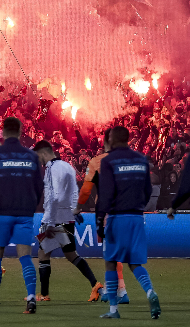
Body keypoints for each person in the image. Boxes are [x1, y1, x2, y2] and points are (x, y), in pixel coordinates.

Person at [96, 126, 161, 319]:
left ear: (112, 139)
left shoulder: (108, 161)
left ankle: (113, 310)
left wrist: (99, 219)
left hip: (117, 217)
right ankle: (150, 292)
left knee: (110, 261)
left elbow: (106, 193)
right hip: (137, 217)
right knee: (135, 263)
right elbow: (148, 190)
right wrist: (138, 204)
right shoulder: (141, 159)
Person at [0, 117, 42, 314]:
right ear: (21, 132)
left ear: (3, 133)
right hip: (24, 213)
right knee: (26, 257)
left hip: (1, 213)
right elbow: (39, 186)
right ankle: (31, 298)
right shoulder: (31, 156)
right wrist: (30, 205)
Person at [32, 141, 103, 302]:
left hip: (55, 218)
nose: (38, 160)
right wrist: (73, 210)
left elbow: (55, 196)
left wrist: (50, 222)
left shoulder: (52, 168)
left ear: (43, 153)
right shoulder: (66, 166)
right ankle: (95, 284)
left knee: (43, 253)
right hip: (67, 217)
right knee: (71, 254)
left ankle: (44, 294)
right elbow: (73, 192)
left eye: (38, 156)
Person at [77, 129, 128, 303]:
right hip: (127, 211)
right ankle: (118, 290)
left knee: (110, 252)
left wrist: (77, 208)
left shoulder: (97, 161)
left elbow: (86, 191)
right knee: (115, 252)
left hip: (107, 212)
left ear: (105, 141)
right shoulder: (129, 160)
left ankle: (117, 291)